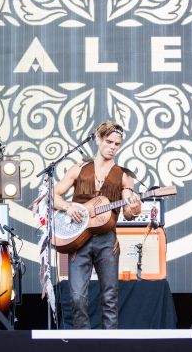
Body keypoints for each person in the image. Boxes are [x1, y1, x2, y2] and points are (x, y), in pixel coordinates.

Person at [52, 121, 142, 329]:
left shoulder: (124, 175)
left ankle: (109, 345)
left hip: (107, 240)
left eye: (117, 144)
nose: (113, 147)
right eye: (109, 141)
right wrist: (67, 206)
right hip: (78, 240)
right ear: (98, 140)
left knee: (110, 298)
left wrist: (134, 208)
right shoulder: (79, 169)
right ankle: (83, 342)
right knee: (76, 297)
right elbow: (52, 196)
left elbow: (128, 213)